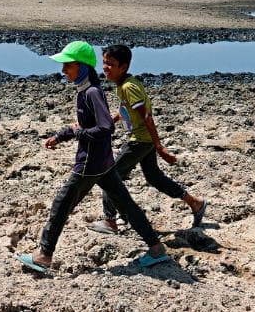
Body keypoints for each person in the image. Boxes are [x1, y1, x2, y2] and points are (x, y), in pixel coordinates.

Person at [17, 41, 169, 273]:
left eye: (68, 65)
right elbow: (84, 124)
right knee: (126, 204)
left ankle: (43, 256)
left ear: (83, 67)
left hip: (90, 164)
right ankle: (156, 249)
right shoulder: (86, 91)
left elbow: (106, 127)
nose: (63, 70)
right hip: (104, 163)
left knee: (61, 204)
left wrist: (77, 133)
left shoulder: (92, 92)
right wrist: (61, 136)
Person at [88, 45, 206, 235]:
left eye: (110, 64)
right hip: (144, 139)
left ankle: (110, 220)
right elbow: (124, 110)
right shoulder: (124, 84)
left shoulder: (128, 86)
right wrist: (106, 125)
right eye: (104, 62)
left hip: (141, 140)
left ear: (123, 67)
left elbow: (147, 116)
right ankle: (195, 203)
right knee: (154, 177)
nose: (105, 67)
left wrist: (160, 147)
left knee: (109, 175)